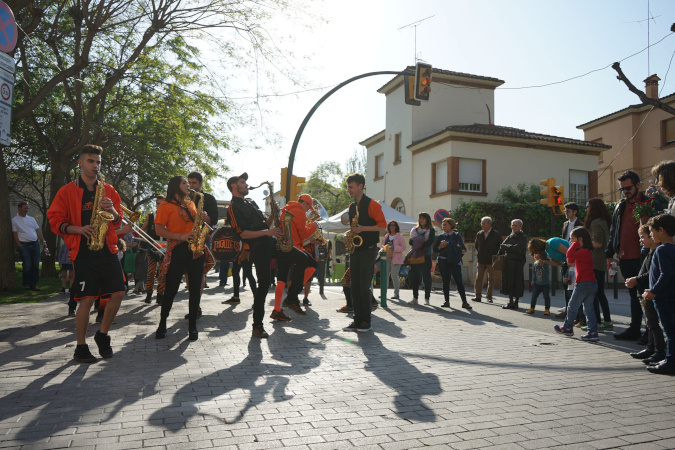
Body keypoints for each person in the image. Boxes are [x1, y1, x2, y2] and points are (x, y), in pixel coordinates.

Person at [47, 144, 126, 363]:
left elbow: (119, 220)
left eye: (98, 162)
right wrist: (78, 229)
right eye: (91, 161)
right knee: (87, 299)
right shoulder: (67, 191)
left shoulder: (109, 190)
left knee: (119, 292)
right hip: (82, 251)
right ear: (80, 163)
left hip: (107, 248)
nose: (95, 165)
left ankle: (102, 334)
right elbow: (54, 221)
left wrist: (111, 210)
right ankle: (80, 347)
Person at [607, 170, 661, 341]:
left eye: (628, 188)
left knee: (647, 295)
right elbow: (614, 230)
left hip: (644, 256)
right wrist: (610, 252)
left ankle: (650, 332)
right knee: (633, 295)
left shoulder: (651, 203)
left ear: (638, 185)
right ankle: (635, 329)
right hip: (625, 256)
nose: (625, 192)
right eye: (622, 189)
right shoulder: (620, 206)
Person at [227, 173, 282, 338]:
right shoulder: (233, 207)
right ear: (234, 187)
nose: (246, 184)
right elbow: (243, 234)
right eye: (243, 182)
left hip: (269, 242)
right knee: (263, 285)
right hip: (258, 248)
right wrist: (269, 231)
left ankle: (291, 298)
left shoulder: (250, 201)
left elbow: (263, 225)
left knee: (302, 259)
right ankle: (257, 325)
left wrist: (273, 215)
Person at [153, 175, 206, 341]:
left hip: (195, 249)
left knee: (195, 288)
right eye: (184, 183)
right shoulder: (166, 205)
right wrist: (180, 236)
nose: (188, 186)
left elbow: (195, 224)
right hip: (178, 248)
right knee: (171, 288)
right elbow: (159, 230)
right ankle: (162, 324)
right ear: (176, 186)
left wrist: (202, 219)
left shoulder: (191, 203)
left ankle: (192, 326)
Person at [342, 173, 386, 332]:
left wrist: (363, 229)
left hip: (368, 249)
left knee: (364, 287)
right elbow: (353, 227)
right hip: (355, 249)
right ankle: (356, 320)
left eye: (351, 187)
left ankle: (365, 321)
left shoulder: (373, 205)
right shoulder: (352, 207)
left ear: (360, 186)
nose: (348, 190)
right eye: (348, 187)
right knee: (354, 286)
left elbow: (383, 227)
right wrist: (349, 234)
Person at [273, 193, 318, 318]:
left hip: (283, 247)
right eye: (309, 207)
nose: (309, 210)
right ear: (304, 203)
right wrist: (314, 226)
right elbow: (303, 235)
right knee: (312, 265)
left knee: (281, 279)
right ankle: (292, 296)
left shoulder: (287, 209)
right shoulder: (299, 212)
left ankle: (277, 309)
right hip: (294, 247)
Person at [626, 224, 666, 365]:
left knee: (653, 324)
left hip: (650, 293)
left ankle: (659, 351)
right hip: (644, 293)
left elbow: (651, 274)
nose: (640, 240)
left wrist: (636, 280)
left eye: (643, 237)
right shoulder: (649, 252)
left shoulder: (657, 252)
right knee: (649, 324)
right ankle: (651, 348)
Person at [642, 214, 675, 374]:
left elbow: (666, 274)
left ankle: (671, 363)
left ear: (661, 230)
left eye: (652, 231)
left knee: (670, 331)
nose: (651, 234)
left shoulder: (661, 250)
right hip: (671, 295)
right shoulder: (672, 249)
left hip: (664, 297)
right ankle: (670, 358)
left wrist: (653, 291)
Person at [554, 227, 599, 341]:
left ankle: (567, 327)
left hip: (583, 283)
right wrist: (576, 244)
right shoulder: (586, 252)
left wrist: (575, 244)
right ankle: (593, 332)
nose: (570, 241)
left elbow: (569, 255)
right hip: (591, 283)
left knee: (572, 306)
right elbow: (570, 262)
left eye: (572, 238)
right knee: (588, 309)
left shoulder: (583, 251)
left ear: (580, 239)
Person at [582, 198, 613, 332]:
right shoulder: (603, 221)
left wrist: (582, 244)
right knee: (599, 292)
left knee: (592, 293)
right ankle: (607, 321)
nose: (586, 209)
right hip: (600, 260)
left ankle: (597, 323)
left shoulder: (595, 223)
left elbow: (597, 243)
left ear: (593, 208)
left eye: (588, 207)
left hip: (593, 260)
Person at [433, 217, 471, 309]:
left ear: (451, 225)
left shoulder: (456, 235)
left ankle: (464, 302)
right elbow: (435, 249)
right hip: (443, 261)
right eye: (442, 224)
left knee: (459, 281)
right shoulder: (441, 236)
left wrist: (448, 243)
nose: (443, 226)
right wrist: (440, 247)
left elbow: (460, 246)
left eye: (445, 224)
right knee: (445, 281)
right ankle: (446, 301)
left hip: (454, 261)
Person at [12, 202, 48, 290]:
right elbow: (15, 234)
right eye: (25, 208)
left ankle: (34, 284)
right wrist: (19, 245)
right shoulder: (15, 220)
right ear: (19, 208)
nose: (26, 210)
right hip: (24, 245)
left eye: (27, 208)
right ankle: (26, 284)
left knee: (35, 265)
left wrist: (43, 241)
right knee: (27, 265)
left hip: (35, 244)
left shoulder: (31, 219)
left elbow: (37, 231)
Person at [471, 216, 502, 303]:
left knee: (491, 279)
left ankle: (489, 296)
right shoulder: (479, 234)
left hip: (491, 260)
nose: (482, 225)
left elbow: (500, 246)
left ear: (489, 224)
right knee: (478, 278)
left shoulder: (496, 234)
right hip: (481, 259)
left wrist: (496, 256)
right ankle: (478, 296)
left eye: (484, 223)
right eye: (481, 223)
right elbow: (476, 245)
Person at [499, 219, 527, 310]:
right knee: (509, 282)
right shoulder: (510, 236)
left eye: (515, 225)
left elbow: (519, 248)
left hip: (518, 262)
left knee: (517, 283)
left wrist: (509, 247)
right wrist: (512, 247)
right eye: (512, 225)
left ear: (520, 226)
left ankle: (516, 302)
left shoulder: (523, 237)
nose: (513, 227)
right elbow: (502, 246)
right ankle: (510, 302)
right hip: (508, 262)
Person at [408, 212, 435, 305]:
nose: (421, 220)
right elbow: (410, 242)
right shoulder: (414, 230)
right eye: (420, 218)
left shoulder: (431, 230)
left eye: (423, 218)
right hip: (415, 255)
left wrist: (417, 242)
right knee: (415, 278)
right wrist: (422, 240)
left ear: (427, 220)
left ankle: (427, 298)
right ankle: (415, 298)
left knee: (426, 277)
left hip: (426, 256)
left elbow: (429, 242)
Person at [142, 196, 164, 304]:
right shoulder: (150, 216)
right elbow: (143, 229)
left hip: (165, 247)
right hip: (152, 246)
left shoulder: (168, 216)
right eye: (158, 203)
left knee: (163, 273)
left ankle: (160, 295)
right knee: (151, 272)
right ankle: (149, 294)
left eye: (162, 203)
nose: (159, 205)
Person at [381, 220, 405, 300]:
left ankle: (396, 294)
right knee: (385, 275)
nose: (392, 227)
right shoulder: (386, 236)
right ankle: (384, 293)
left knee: (394, 275)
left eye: (394, 225)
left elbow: (403, 247)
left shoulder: (399, 236)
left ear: (396, 227)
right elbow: (383, 246)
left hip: (396, 259)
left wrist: (394, 248)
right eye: (390, 225)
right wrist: (381, 250)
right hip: (387, 257)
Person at [526, 241, 551, 315]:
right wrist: (533, 280)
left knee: (546, 297)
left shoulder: (545, 263)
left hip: (545, 284)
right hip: (537, 284)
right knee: (534, 296)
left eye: (537, 254)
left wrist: (542, 264)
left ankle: (547, 309)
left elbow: (546, 271)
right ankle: (532, 308)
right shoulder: (535, 263)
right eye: (535, 254)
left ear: (541, 255)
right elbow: (534, 272)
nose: (535, 255)